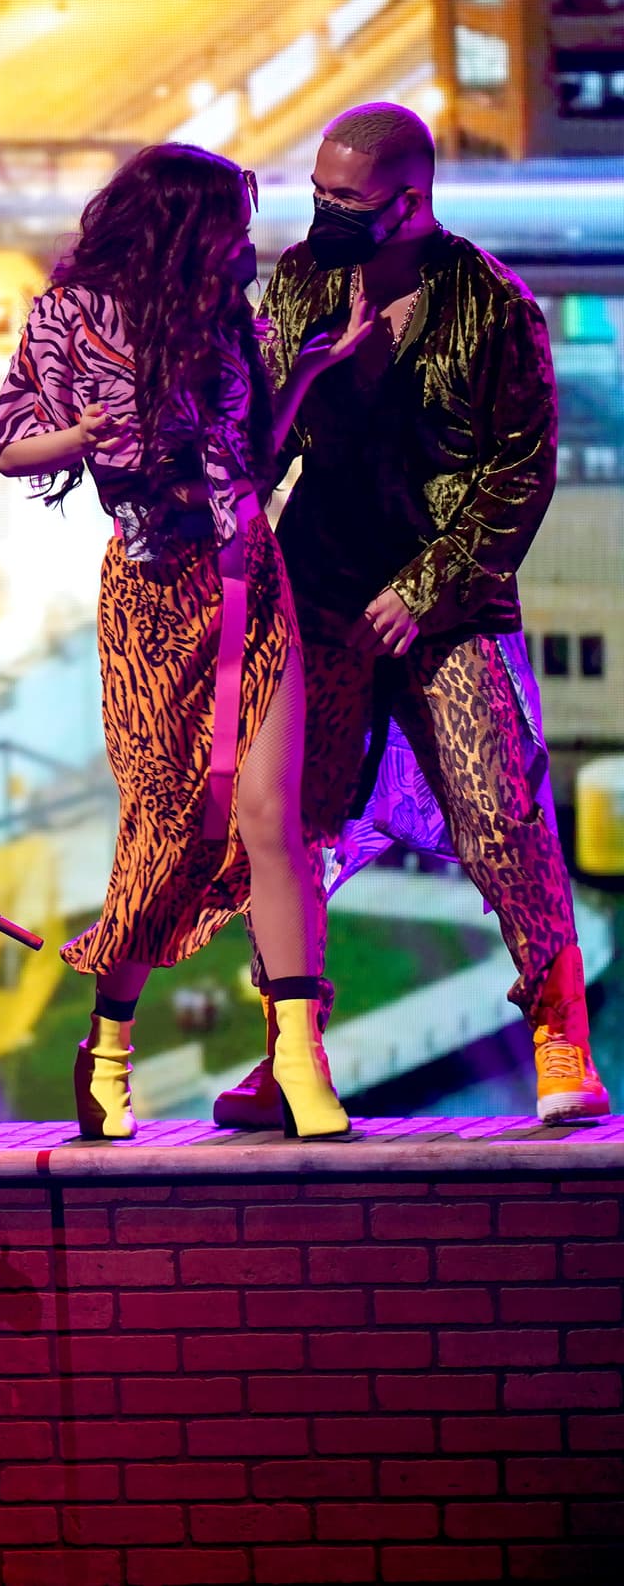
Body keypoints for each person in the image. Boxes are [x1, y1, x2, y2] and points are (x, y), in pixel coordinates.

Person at [215, 102, 609, 1129]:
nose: (324, 215)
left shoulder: (494, 305)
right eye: (317, 194)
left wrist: (427, 588)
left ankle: (560, 1033)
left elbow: (519, 474)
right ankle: (289, 1051)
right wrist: (299, 377)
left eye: (346, 200)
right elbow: (257, 436)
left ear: (410, 201)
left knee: (500, 807)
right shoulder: (302, 280)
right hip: (320, 589)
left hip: (451, 603)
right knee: (288, 822)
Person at [0, 142, 354, 1143]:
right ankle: (107, 1043)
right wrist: (82, 436)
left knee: (272, 819)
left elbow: (250, 458)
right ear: (178, 225)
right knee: (166, 831)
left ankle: (299, 1057)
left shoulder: (225, 316)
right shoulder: (69, 316)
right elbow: (8, 441)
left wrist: (308, 372)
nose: (244, 244)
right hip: (151, 600)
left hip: (249, 581)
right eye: (230, 223)